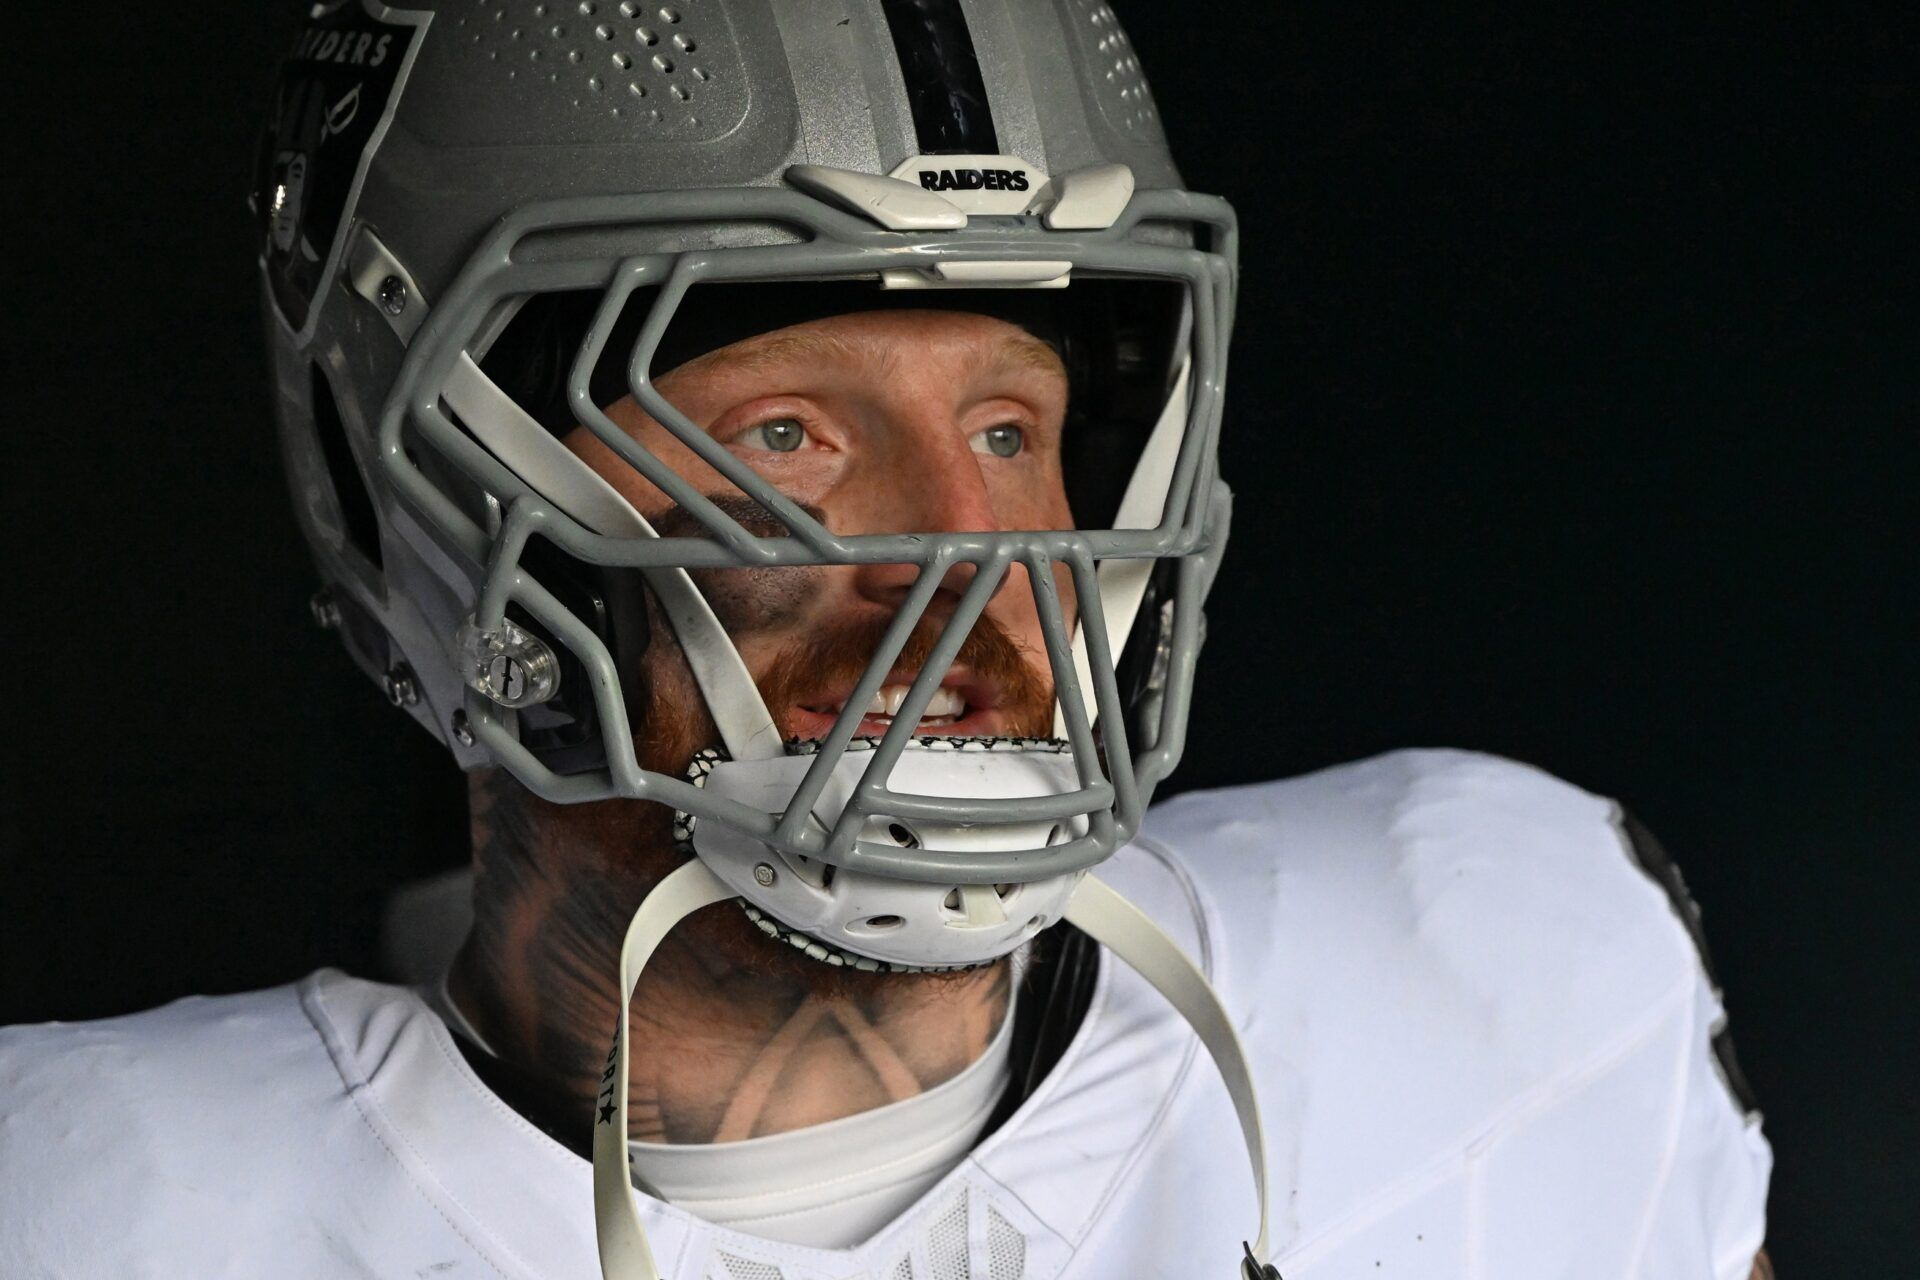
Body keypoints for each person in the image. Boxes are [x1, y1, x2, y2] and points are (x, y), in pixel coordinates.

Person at [0, 2, 1772, 1277]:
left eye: (1012, 429)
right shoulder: (92, 1203)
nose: (982, 557)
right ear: (435, 496)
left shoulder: (1504, 975)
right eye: (791, 438)